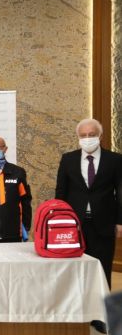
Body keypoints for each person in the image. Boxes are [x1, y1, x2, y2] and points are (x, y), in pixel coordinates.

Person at [56, 118, 122, 287]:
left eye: (91, 134)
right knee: (74, 269)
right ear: (78, 137)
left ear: (100, 136)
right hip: (74, 224)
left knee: (102, 268)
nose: (87, 138)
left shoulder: (115, 160)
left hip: (104, 223)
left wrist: (120, 222)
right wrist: (59, 221)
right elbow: (61, 192)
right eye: (83, 135)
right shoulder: (68, 159)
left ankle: (102, 301)